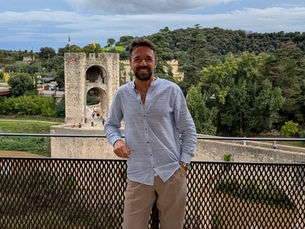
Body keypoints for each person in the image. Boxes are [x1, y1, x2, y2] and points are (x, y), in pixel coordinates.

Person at [105, 38, 197, 229]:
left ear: (155, 62)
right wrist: (116, 141)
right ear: (130, 63)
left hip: (171, 173)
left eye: (148, 58)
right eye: (137, 59)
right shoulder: (122, 94)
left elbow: (188, 129)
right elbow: (111, 124)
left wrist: (184, 164)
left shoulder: (172, 90)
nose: (143, 63)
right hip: (138, 174)